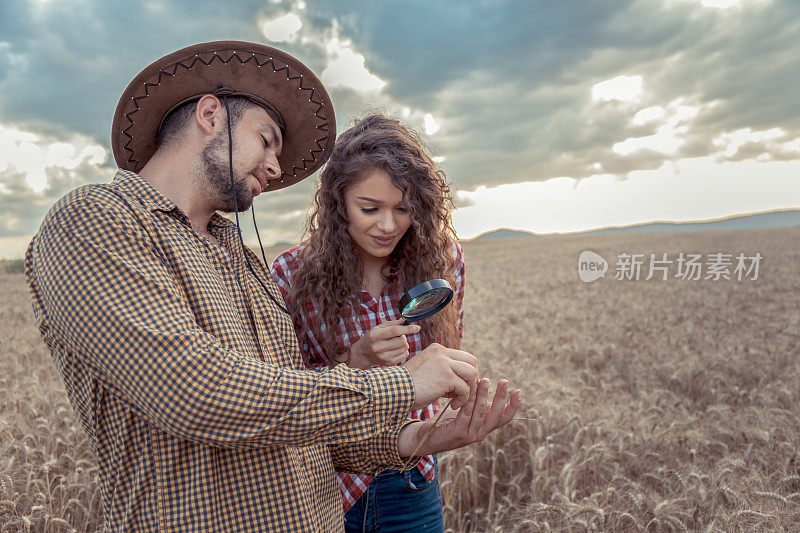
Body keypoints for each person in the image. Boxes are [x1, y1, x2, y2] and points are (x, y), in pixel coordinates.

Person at [25, 41, 520, 532]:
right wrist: (403, 383)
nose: (277, 168)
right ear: (210, 114)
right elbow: (200, 394)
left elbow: (293, 425)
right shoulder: (95, 219)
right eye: (267, 140)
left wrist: (419, 439)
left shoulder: (244, 263)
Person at [270, 114, 466, 532]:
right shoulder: (290, 274)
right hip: (326, 483)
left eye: (404, 208)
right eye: (369, 208)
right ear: (338, 203)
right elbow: (279, 396)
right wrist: (355, 358)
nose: (389, 225)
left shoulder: (443, 262)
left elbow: (447, 349)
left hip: (414, 479)